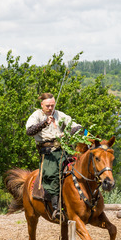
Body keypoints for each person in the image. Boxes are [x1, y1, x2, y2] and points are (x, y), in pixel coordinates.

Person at [26, 93, 82, 221]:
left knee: (81, 167)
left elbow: (74, 125)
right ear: (42, 105)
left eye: (52, 105)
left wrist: (78, 130)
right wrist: (45, 123)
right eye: (48, 106)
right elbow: (29, 131)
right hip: (48, 153)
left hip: (64, 150)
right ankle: (56, 208)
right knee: (52, 174)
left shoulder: (59, 114)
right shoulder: (36, 115)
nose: (50, 108)